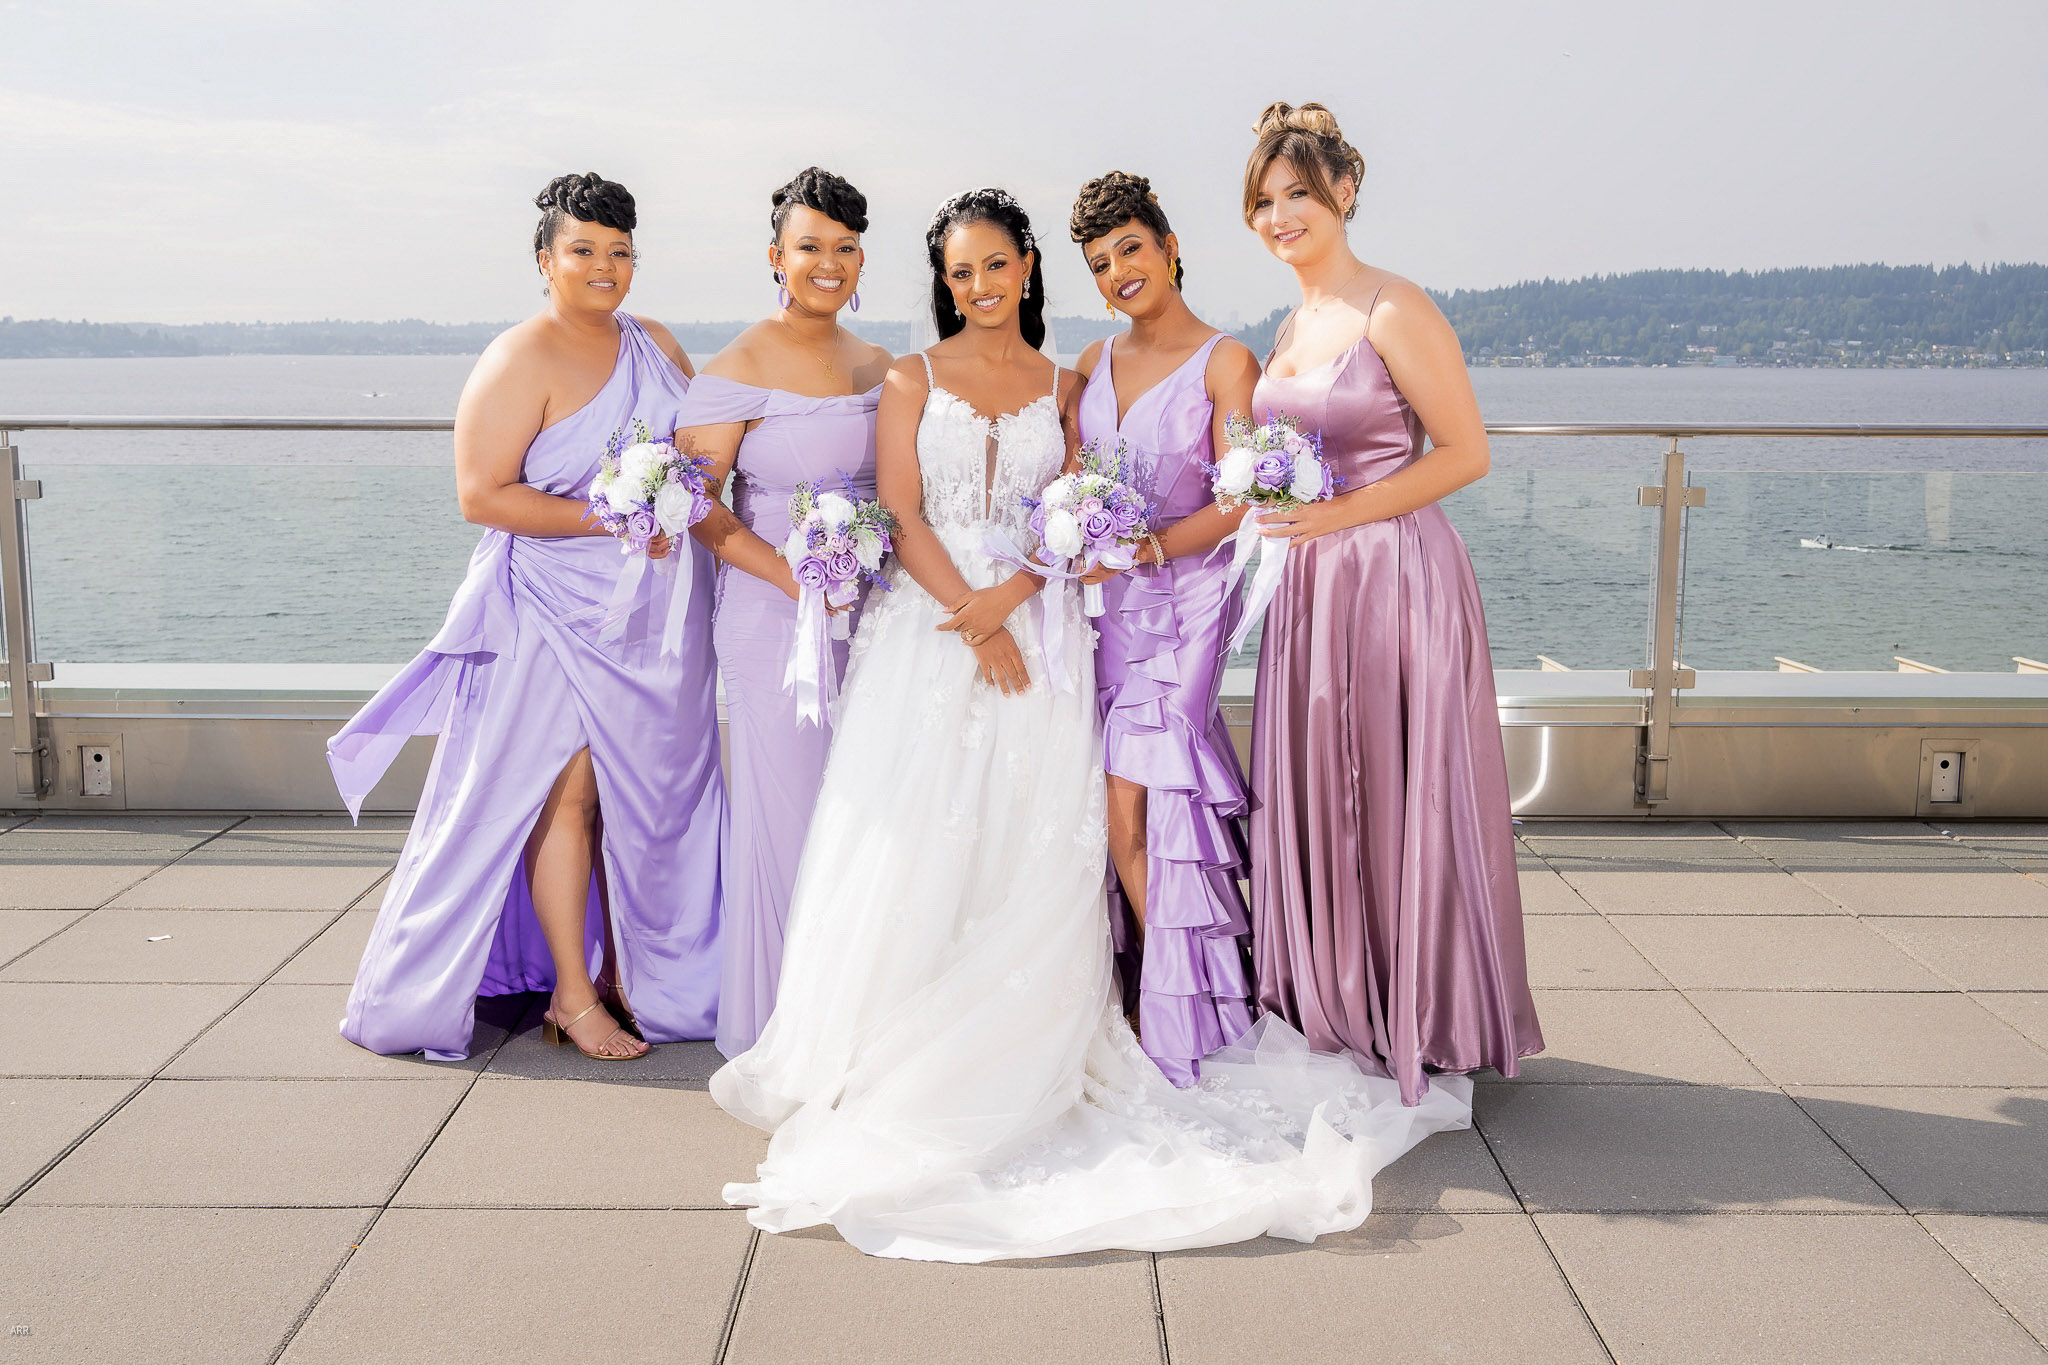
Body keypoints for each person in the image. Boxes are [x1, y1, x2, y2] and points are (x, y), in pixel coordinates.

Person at [708, 187, 1469, 1264]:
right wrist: (970, 615)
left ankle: (1077, 1033)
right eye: (960, 272)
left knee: (1032, 838)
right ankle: (890, 1043)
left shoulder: (1067, 387)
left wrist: (1014, 598)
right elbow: (901, 512)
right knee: (915, 838)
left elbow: (1071, 514)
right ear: (945, 283)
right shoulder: (909, 378)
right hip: (930, 631)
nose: (980, 285)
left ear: (1026, 267)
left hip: (1041, 629)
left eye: (995, 265)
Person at [327, 172, 725, 1062]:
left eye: (620, 251)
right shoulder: (518, 358)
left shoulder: (656, 343)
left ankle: (635, 975)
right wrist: (611, 516)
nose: (604, 266)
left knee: (645, 798)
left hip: (657, 612)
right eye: (583, 249)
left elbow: (700, 460)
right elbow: (481, 494)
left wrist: (683, 506)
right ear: (546, 259)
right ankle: (572, 996)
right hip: (554, 607)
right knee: (569, 792)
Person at [1242, 102, 1543, 1104]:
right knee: (1327, 789)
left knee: (1392, 782)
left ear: (1344, 191)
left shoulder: (1392, 306)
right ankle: (1336, 993)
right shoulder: (1294, 324)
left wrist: (1338, 516)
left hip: (1392, 579)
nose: (1280, 216)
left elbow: (1466, 452)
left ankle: (1419, 1005)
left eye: (1297, 194)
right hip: (1311, 587)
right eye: (1263, 202)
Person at [675, 167, 892, 1057]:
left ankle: (862, 1016)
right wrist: (796, 579)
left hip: (873, 618)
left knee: (870, 809)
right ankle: (785, 1026)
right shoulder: (736, 368)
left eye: (845, 247)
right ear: (776, 256)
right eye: (810, 247)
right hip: (774, 621)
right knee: (793, 812)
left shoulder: (881, 365)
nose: (828, 263)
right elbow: (696, 504)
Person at [1067, 171, 1262, 1085]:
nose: (1118, 273)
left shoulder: (1227, 362)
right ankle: (1160, 988)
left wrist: (1144, 547)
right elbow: (1069, 479)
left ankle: (1185, 1013)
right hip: (1103, 611)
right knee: (1120, 804)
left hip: (1184, 604)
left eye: (1131, 249)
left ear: (1170, 247)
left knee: (1157, 796)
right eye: (1100, 263)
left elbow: (1239, 499)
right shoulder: (1089, 362)